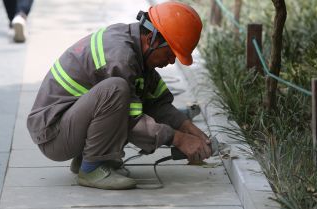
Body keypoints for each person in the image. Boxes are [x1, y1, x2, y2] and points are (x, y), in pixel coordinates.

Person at [27, 2, 211, 190]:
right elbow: (132, 122)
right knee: (116, 90)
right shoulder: (120, 58)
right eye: (171, 53)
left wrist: (188, 127)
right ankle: (91, 168)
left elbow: (157, 103)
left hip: (67, 125)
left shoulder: (136, 50)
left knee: (127, 95)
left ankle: (89, 157)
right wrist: (179, 139)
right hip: (54, 135)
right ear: (152, 39)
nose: (171, 61)